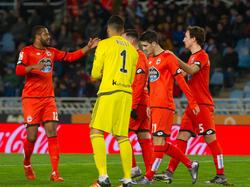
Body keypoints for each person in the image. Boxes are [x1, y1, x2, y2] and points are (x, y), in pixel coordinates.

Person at [15, 25, 99, 182]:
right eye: (46, 34)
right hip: (31, 99)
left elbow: (71, 56)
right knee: (32, 136)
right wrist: (32, 67)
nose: (49, 36)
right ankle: (27, 163)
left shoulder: (51, 52)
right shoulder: (26, 51)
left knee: (52, 132)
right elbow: (18, 70)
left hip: (48, 99)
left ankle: (55, 173)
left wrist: (87, 48)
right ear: (37, 36)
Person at [162, 26, 229, 185]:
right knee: (181, 137)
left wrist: (174, 58)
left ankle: (221, 175)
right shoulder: (192, 57)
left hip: (203, 105)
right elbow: (182, 73)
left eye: (186, 36)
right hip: (192, 105)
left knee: (210, 139)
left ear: (194, 39)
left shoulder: (202, 56)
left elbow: (191, 71)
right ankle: (169, 172)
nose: (184, 39)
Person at [135, 30, 200, 185]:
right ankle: (191, 164)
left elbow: (181, 81)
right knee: (160, 144)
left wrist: (193, 102)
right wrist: (149, 104)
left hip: (165, 106)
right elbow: (150, 86)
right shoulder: (150, 60)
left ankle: (149, 177)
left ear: (154, 43)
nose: (144, 49)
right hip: (154, 106)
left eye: (145, 46)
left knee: (158, 143)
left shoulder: (168, 57)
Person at [89, 15, 138, 187]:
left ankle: (103, 177)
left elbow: (95, 74)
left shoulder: (104, 44)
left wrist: (105, 74)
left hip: (109, 91)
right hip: (126, 94)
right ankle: (128, 179)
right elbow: (131, 78)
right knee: (122, 136)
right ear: (123, 30)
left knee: (96, 132)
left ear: (109, 29)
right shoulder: (133, 51)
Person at [122, 29, 153, 178]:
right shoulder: (134, 57)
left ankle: (133, 167)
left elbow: (139, 84)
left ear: (131, 41)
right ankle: (150, 173)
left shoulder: (138, 57)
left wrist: (132, 106)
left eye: (123, 40)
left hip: (138, 103)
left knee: (121, 134)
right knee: (144, 137)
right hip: (142, 102)